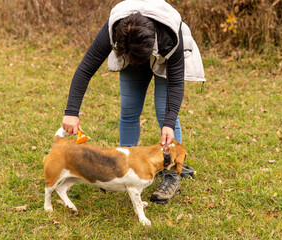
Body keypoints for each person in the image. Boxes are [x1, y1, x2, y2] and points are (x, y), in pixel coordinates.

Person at [61, 0, 205, 204]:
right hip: (133, 48)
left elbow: (175, 85)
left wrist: (169, 123)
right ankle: (123, 169)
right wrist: (71, 111)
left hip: (164, 54)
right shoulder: (115, 30)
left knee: (164, 113)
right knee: (128, 110)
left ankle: (171, 176)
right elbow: (86, 68)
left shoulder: (170, 36)